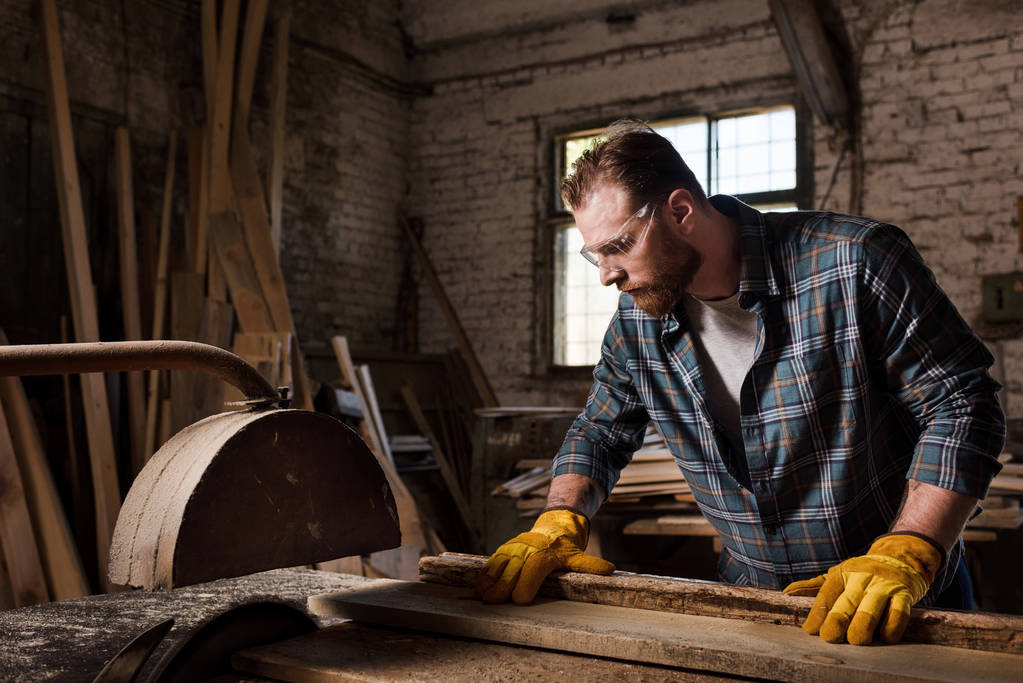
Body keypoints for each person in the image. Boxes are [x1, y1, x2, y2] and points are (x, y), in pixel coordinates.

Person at [474, 120, 1005, 646]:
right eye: (595, 255)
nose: (606, 275)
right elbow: (599, 432)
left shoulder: (856, 261)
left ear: (680, 211)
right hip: (754, 606)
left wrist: (908, 551)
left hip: (896, 599)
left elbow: (962, 405)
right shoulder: (638, 325)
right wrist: (556, 522)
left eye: (619, 246)